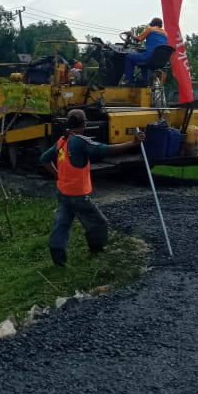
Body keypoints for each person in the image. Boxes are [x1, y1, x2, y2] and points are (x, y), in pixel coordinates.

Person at [39, 109, 145, 267]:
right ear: (84, 124)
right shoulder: (80, 142)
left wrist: (58, 175)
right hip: (77, 194)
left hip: (63, 191)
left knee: (62, 223)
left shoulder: (62, 140)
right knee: (98, 222)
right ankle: (97, 249)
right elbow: (105, 149)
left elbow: (44, 159)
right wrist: (133, 143)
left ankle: (58, 258)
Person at [121, 17, 168, 86]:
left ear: (152, 24)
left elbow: (137, 39)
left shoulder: (150, 29)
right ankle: (145, 82)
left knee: (129, 57)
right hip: (159, 60)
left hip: (149, 57)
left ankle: (129, 81)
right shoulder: (165, 34)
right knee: (144, 64)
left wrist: (130, 34)